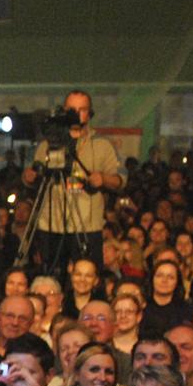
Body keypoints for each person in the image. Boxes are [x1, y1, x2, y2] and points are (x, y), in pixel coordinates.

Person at [21, 90, 123, 276]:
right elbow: (34, 178)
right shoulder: (48, 144)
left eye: (82, 110)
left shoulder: (102, 145)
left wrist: (103, 179)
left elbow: (120, 180)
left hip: (87, 225)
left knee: (88, 276)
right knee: (50, 277)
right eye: (71, 110)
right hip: (51, 225)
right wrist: (29, 177)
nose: (76, 114)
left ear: (90, 113)